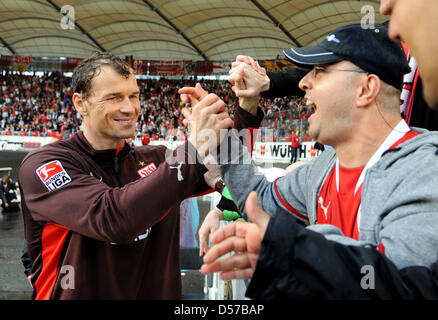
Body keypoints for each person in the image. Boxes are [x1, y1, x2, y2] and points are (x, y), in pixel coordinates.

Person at [181, 23, 438, 298]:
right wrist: (221, 141)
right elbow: (262, 199)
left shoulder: (424, 172)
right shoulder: (323, 169)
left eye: (321, 71)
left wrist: (296, 250)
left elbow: (400, 287)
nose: (304, 82)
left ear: (366, 89)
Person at [18, 52, 230, 300]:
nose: (129, 108)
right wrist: (192, 149)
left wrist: (238, 113)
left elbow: (234, 173)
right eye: (114, 98)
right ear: (80, 103)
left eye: (134, 96)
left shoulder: (159, 158)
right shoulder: (45, 164)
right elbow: (113, 220)